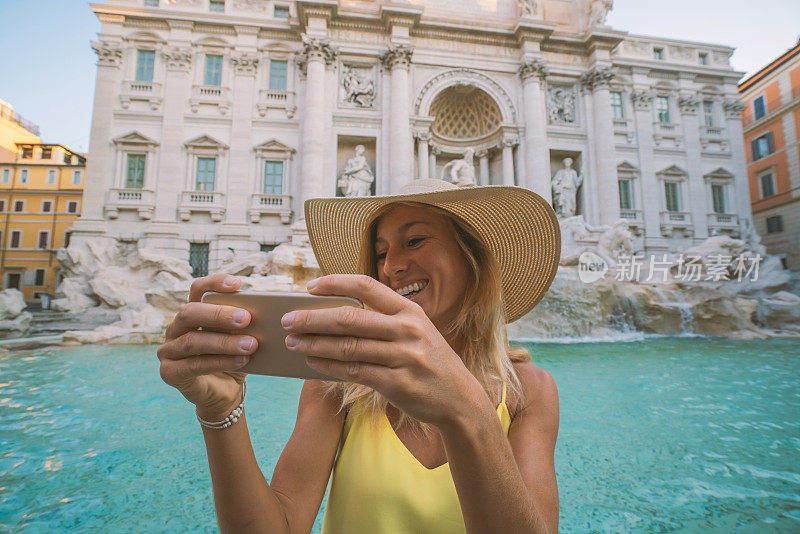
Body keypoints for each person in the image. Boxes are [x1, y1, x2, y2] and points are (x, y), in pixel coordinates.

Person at [157, 178, 562, 533]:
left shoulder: (531, 392)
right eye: (380, 252)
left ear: (472, 260)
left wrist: (466, 409)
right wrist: (219, 412)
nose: (391, 266)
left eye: (415, 240)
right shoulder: (339, 383)